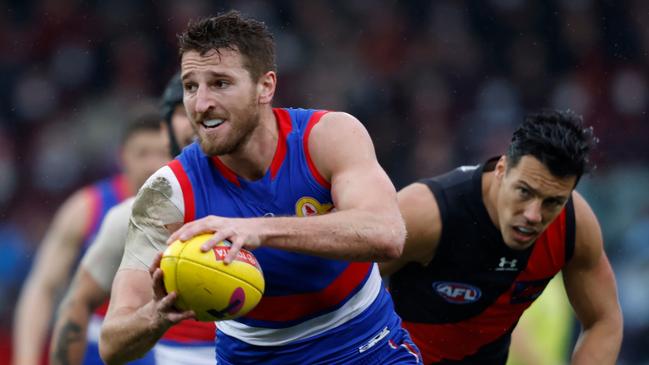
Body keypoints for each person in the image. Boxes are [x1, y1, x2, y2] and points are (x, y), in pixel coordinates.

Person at [100, 11, 421, 365]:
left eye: (220, 83)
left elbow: (388, 234)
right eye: (191, 86)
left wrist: (257, 229)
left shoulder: (328, 136)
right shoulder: (166, 191)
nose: (201, 104)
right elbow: (113, 344)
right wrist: (159, 315)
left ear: (265, 86)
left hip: (365, 347)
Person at [380, 110, 623, 364]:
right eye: (524, 191)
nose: (533, 215)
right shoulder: (427, 213)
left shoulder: (574, 225)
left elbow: (603, 320)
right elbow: (344, 287)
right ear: (501, 168)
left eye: (552, 202)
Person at [49, 74, 216, 365]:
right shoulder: (128, 216)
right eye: (182, 109)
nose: (195, 116)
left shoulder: (274, 198)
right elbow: (75, 302)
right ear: (167, 129)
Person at [13, 113, 169, 365]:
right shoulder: (86, 208)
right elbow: (43, 287)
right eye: (142, 153)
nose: (151, 164)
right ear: (122, 156)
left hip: (163, 344)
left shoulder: (190, 207)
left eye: (162, 153)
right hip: (92, 349)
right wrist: (25, 360)